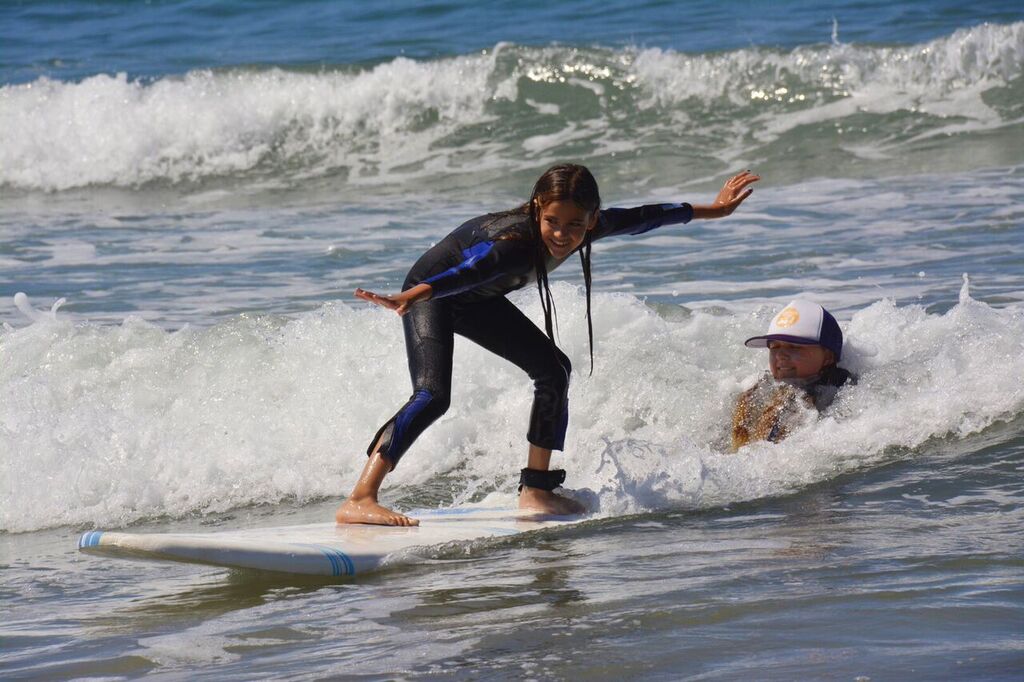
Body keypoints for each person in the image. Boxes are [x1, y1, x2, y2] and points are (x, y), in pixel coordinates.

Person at [339, 164, 760, 526]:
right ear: (538, 209)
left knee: (553, 370)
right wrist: (415, 296)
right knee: (433, 395)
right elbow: (472, 270)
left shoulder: (589, 226)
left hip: (475, 299)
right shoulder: (512, 246)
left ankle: (535, 491)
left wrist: (715, 210)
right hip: (430, 293)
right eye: (553, 222)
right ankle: (360, 498)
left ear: (592, 219)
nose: (562, 234)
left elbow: (645, 216)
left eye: (575, 224)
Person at [731, 299, 856, 450]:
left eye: (794, 346)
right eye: (774, 346)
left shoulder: (846, 392)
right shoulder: (755, 393)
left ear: (828, 356)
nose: (781, 355)